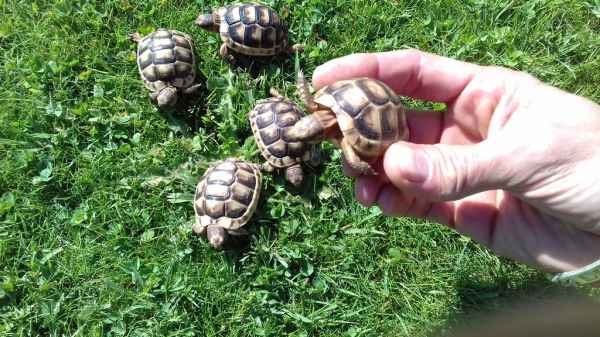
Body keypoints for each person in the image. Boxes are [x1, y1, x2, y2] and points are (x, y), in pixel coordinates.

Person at [312, 49, 600, 275]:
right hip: (360, 106)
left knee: (357, 162)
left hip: (380, 121)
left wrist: (366, 166)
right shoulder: (321, 106)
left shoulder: (352, 143)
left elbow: (357, 160)